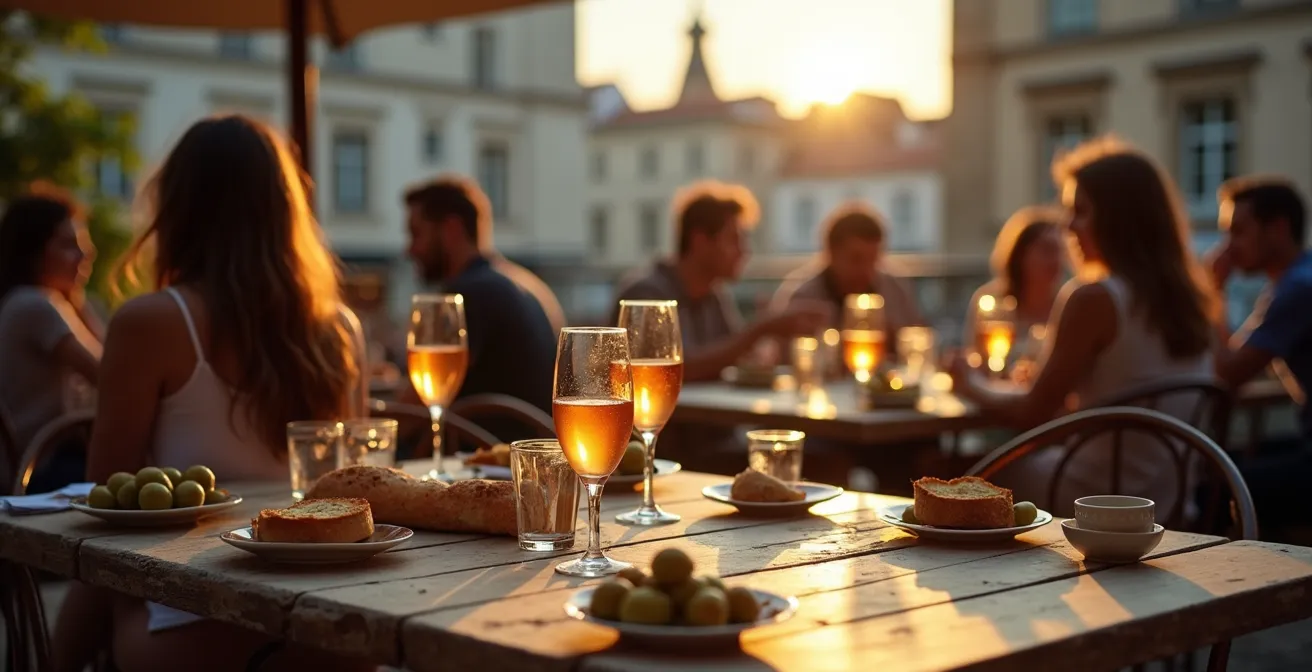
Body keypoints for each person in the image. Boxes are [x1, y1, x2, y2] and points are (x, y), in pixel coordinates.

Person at [52, 115, 370, 672]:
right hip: (329, 632)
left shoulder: (151, 321)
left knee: (94, 585)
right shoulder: (339, 329)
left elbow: (108, 501)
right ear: (286, 211)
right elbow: (354, 492)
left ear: (177, 208)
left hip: (192, 633)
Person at [950, 136, 1216, 514]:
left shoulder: (1095, 297)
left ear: (1119, 219)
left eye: (1081, 210)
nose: (1068, 226)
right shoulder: (1192, 297)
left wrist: (970, 384)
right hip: (1170, 500)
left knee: (944, 471)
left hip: (1098, 497)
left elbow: (1032, 414)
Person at [613, 180, 826, 383]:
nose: (744, 251)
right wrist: (760, 330)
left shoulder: (714, 295)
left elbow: (736, 355)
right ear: (700, 241)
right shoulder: (645, 295)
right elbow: (674, 371)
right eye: (734, 240)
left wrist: (764, 337)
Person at [402, 175, 559, 438]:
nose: (410, 250)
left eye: (416, 233)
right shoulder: (522, 281)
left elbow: (410, 411)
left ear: (451, 229)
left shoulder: (465, 296)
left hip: (491, 461)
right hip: (532, 452)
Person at [1208, 177, 1310, 528]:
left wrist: (1211, 291)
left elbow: (1229, 372)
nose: (1228, 247)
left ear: (1278, 228)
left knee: (1213, 491)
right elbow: (1239, 359)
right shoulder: (1295, 280)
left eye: (1238, 231)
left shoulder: (1297, 288)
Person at [0, 184, 103, 492]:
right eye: (68, 244)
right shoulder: (35, 304)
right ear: (33, 252)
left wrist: (78, 301)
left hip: (43, 461)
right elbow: (110, 375)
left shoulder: (27, 300)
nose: (86, 254)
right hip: (41, 469)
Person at [772, 202, 923, 352]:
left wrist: (893, 339)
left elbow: (917, 343)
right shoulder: (803, 298)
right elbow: (785, 357)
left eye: (873, 260)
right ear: (831, 253)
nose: (866, 271)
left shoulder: (894, 291)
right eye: (856, 259)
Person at [963, 205, 1068, 376]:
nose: (1056, 260)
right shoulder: (989, 302)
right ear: (1020, 255)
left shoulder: (1066, 303)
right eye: (1046, 250)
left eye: (1060, 251)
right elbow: (977, 363)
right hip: (994, 396)